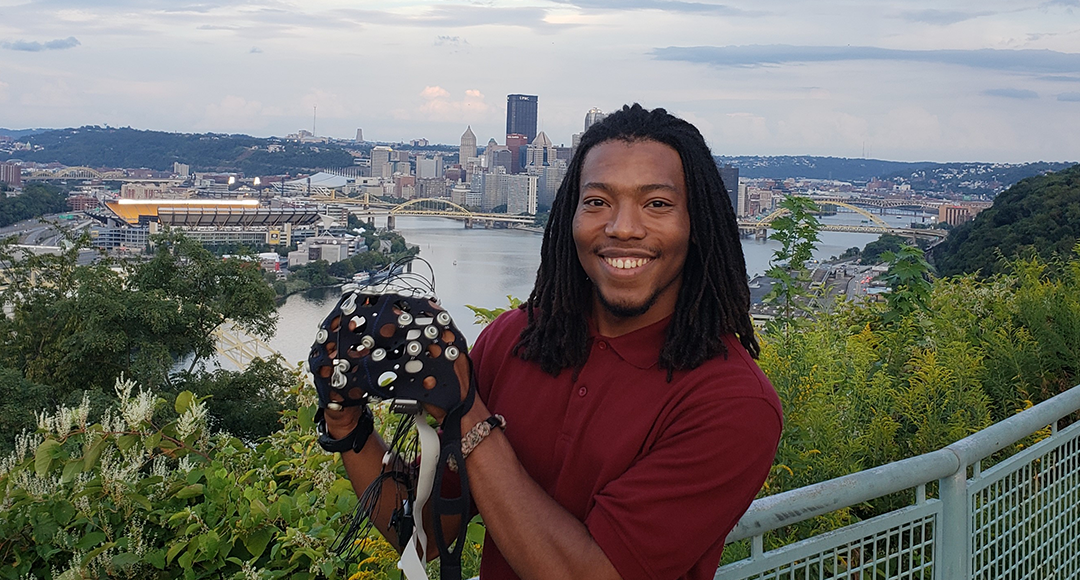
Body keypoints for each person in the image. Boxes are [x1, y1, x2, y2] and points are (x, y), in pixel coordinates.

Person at [323, 104, 782, 580]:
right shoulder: (515, 340)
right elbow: (421, 533)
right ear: (570, 215)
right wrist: (346, 421)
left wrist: (467, 410)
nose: (623, 228)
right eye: (598, 202)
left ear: (698, 223)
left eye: (657, 204)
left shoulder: (733, 403)